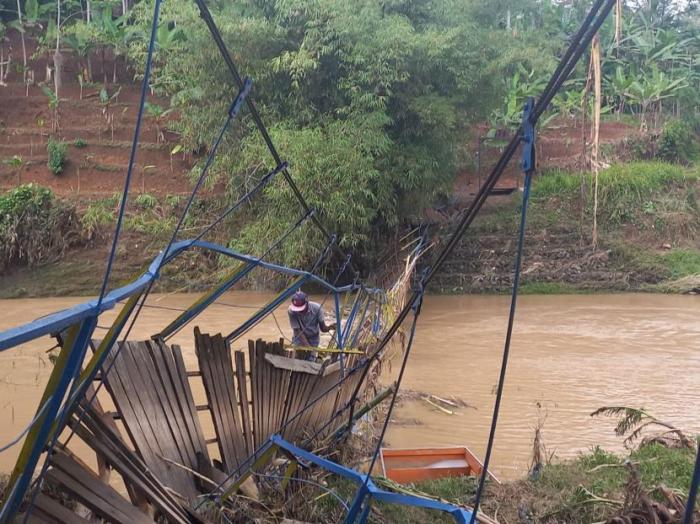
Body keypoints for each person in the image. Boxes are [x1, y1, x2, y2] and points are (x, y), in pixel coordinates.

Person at [288, 291, 335, 358]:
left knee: (311, 359)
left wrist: (330, 327)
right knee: (298, 359)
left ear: (307, 303)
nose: (298, 312)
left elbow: (323, 328)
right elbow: (297, 331)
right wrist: (308, 346)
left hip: (313, 338)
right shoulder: (291, 311)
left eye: (300, 309)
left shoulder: (317, 309)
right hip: (299, 338)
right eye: (297, 309)